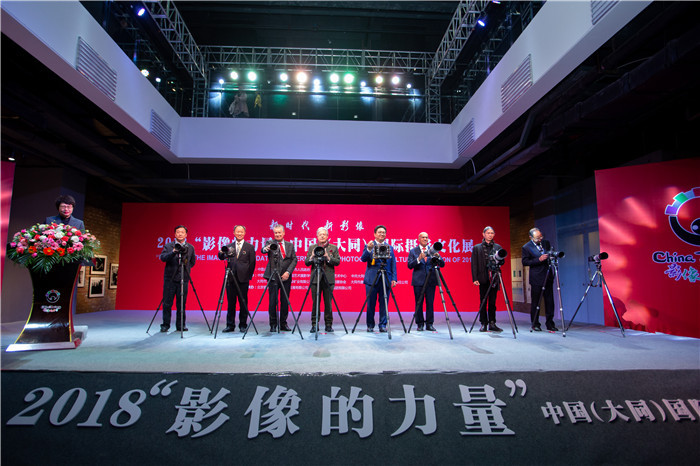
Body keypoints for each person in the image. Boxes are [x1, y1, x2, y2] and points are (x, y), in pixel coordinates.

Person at [360, 225, 397, 332]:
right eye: (379, 232)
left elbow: (393, 263)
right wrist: (368, 249)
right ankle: (370, 325)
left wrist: (394, 278)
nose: (382, 234)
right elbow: (363, 259)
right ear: (375, 234)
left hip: (386, 278)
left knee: (384, 303)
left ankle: (383, 325)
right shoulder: (369, 245)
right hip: (372, 279)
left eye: (383, 232)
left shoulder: (390, 247)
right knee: (370, 303)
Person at [219, 225, 257, 333]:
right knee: (231, 303)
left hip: (243, 279)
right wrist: (221, 253)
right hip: (230, 279)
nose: (239, 233)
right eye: (237, 231)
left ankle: (243, 325)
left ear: (244, 233)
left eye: (241, 232)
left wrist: (248, 276)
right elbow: (221, 257)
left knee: (243, 303)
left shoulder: (249, 247)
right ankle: (230, 325)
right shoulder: (229, 246)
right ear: (234, 233)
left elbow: (252, 263)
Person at [261, 224, 297, 332]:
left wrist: (288, 272)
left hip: (286, 277)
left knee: (285, 301)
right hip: (273, 276)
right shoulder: (270, 243)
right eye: (275, 233)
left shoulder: (290, 245)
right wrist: (265, 249)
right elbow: (263, 250)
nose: (277, 234)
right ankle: (273, 324)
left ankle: (283, 324)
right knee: (273, 301)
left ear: (283, 233)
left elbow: (294, 259)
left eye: (279, 232)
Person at [159, 225, 196, 332]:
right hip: (170, 279)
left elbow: (192, 262)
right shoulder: (168, 246)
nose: (180, 234)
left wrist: (185, 269)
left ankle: (181, 325)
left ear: (186, 234)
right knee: (167, 303)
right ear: (175, 234)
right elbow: (163, 258)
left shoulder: (190, 247)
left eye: (182, 232)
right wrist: (173, 252)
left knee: (181, 304)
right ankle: (165, 325)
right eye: (178, 232)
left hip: (183, 279)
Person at [304, 227, 341, 333]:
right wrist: (311, 257)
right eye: (320, 234)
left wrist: (328, 257)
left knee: (328, 303)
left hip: (328, 279)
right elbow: (306, 263)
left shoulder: (333, 247)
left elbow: (337, 262)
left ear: (327, 236)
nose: (322, 236)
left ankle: (328, 324)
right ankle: (314, 324)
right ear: (317, 236)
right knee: (315, 303)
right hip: (315, 278)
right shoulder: (312, 247)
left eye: (324, 234)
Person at [407, 232, 444, 331]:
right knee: (418, 303)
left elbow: (442, 264)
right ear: (419, 239)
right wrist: (419, 259)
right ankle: (420, 324)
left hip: (431, 280)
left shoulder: (432, 250)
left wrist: (438, 257)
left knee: (430, 303)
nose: (425, 239)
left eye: (426, 237)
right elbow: (409, 265)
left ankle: (429, 324)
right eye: (423, 237)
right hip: (418, 281)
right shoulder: (413, 251)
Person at [522, 227, 557, 332]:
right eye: (537, 238)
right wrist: (538, 259)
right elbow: (525, 262)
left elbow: (550, 253)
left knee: (550, 301)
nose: (540, 239)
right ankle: (535, 323)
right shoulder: (526, 247)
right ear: (531, 237)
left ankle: (550, 323)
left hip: (548, 276)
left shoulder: (546, 243)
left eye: (541, 236)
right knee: (536, 302)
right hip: (536, 278)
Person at [471, 226, 504, 332]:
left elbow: (502, 261)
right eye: (488, 233)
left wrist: (499, 260)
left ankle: (492, 323)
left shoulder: (497, 247)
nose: (490, 235)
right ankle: (483, 323)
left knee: (493, 302)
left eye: (492, 233)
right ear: (483, 234)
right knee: (483, 301)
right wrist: (475, 278)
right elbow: (474, 264)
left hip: (494, 277)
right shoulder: (477, 248)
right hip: (483, 277)